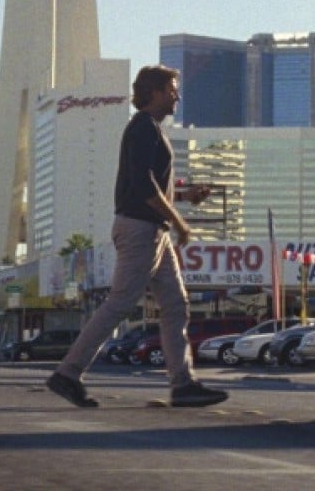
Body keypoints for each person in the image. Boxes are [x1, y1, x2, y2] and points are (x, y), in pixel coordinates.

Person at [47, 65, 229, 408]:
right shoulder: (141, 129)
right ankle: (67, 373)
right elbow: (143, 187)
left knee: (175, 304)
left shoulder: (151, 130)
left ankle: (183, 384)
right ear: (155, 92)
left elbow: (151, 183)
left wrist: (185, 196)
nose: (177, 95)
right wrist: (180, 222)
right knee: (120, 303)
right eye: (172, 89)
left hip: (152, 231)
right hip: (140, 229)